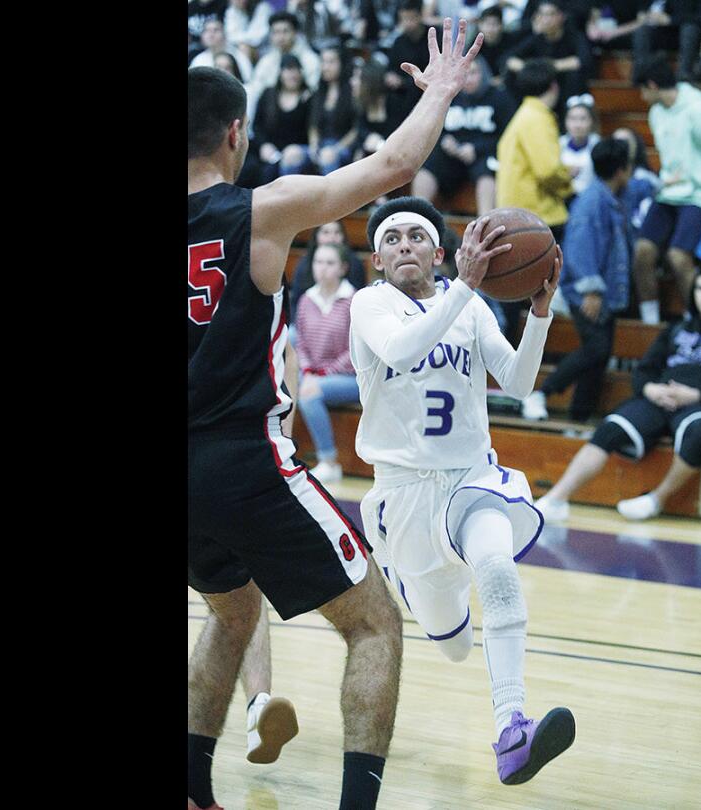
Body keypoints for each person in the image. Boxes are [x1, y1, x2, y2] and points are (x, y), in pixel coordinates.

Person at [186, 19, 485, 809]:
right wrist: (443, 90)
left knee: (234, 607)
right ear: (237, 133)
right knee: (375, 624)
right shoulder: (259, 210)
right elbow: (395, 164)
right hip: (242, 459)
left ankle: (190, 788)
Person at [349, 195, 576, 785]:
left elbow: (521, 383)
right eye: (392, 238)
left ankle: (511, 729)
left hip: (471, 480)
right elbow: (404, 348)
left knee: (498, 569)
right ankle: (408, 578)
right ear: (376, 259)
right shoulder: (369, 304)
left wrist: (540, 313)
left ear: (440, 253)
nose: (404, 245)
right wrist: (466, 289)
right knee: (450, 642)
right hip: (404, 499)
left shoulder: (469, 308)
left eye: (416, 237)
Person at [535, 263, 701, 522]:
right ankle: (556, 499)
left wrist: (695, 395)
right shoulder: (677, 328)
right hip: (660, 398)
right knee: (609, 428)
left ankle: (657, 499)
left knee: (700, 432)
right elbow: (645, 369)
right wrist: (650, 388)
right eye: (700, 288)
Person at [522, 139, 633, 422]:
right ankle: (541, 394)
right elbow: (580, 248)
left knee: (599, 357)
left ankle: (578, 419)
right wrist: (591, 291)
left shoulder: (607, 198)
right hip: (587, 292)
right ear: (621, 170)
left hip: (603, 293)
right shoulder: (592, 202)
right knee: (596, 349)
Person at [629, 53, 701, 324]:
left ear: (652, 86)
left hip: (700, 195)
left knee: (678, 258)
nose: (641, 96)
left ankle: (698, 323)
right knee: (642, 252)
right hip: (670, 193)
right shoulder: (657, 112)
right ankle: (650, 324)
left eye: (642, 89)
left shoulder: (697, 110)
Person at [495, 57, 572, 337]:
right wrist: (568, 183)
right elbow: (548, 170)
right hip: (538, 217)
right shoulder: (538, 118)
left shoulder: (522, 114)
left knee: (515, 295)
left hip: (517, 213)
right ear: (554, 85)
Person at [411, 55, 517, 215]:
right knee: (428, 167)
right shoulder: (449, 96)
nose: (468, 79)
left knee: (487, 170)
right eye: (464, 74)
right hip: (451, 154)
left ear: (484, 74)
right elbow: (430, 126)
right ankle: (416, 215)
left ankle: (485, 222)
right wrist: (444, 140)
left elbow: (509, 136)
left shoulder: (499, 97)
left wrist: (477, 148)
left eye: (474, 73)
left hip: (483, 154)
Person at [295, 243, 362, 483]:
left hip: (350, 377)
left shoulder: (354, 300)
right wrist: (306, 369)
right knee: (284, 386)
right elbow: (300, 344)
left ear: (343, 268)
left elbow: (355, 351)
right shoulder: (306, 299)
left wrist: (322, 373)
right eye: (318, 262)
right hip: (312, 374)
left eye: (330, 263)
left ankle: (329, 462)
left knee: (309, 392)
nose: (322, 268)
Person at [502, 0, 592, 119]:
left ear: (561, 16)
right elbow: (509, 59)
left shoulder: (574, 36)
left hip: (563, 84)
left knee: (573, 76)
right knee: (511, 76)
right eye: (542, 14)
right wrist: (532, 69)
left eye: (550, 14)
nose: (546, 19)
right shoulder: (536, 38)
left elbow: (582, 60)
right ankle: (515, 117)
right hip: (540, 83)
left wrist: (549, 66)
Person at [251, 54, 314, 182]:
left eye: (296, 70)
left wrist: (307, 103)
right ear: (280, 73)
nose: (293, 75)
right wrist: (263, 145)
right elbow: (256, 126)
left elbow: (311, 130)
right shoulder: (268, 94)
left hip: (296, 151)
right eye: (288, 70)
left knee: (284, 163)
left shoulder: (308, 98)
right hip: (269, 150)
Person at [309, 47, 360, 175]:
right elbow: (313, 124)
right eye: (323, 62)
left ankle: (327, 195)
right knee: (291, 153)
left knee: (328, 155)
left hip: (344, 146)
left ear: (342, 63)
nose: (325, 67)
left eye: (331, 62)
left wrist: (337, 149)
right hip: (321, 144)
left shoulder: (352, 91)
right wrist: (313, 145)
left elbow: (357, 128)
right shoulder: (318, 92)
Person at [558, 92, 600, 197]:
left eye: (583, 119)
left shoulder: (598, 145)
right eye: (572, 119)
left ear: (592, 121)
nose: (577, 125)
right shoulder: (558, 144)